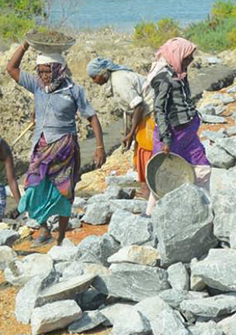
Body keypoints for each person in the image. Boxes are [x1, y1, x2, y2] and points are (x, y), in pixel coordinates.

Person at [7, 40, 106, 246]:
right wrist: (25, 45)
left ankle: (60, 236)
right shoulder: (37, 86)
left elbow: (92, 117)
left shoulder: (73, 90)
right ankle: (43, 228)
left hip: (65, 148)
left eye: (46, 71)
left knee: (64, 191)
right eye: (40, 71)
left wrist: (99, 147)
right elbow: (11, 68)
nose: (43, 75)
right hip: (41, 147)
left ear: (57, 69)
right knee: (33, 186)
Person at [146, 37, 211, 216]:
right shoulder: (164, 79)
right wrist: (166, 139)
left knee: (202, 169)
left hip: (187, 131)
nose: (191, 61)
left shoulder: (179, 73)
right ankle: (151, 215)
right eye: (188, 57)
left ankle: (205, 209)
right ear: (178, 55)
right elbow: (159, 110)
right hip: (173, 133)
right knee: (163, 176)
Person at [87, 57, 155, 199]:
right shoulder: (116, 80)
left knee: (147, 149)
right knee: (141, 150)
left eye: (94, 77)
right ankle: (146, 187)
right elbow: (130, 109)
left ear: (102, 73)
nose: (94, 81)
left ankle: (152, 188)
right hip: (145, 114)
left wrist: (131, 133)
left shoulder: (119, 81)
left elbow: (139, 105)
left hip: (151, 113)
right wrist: (130, 130)